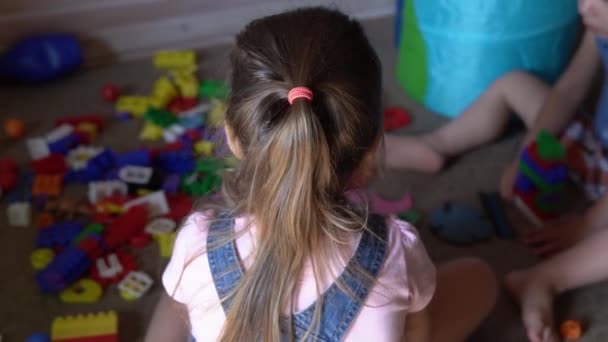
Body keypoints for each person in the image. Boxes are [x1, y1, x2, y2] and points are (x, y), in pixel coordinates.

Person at [145, 7, 497, 342]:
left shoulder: (197, 242)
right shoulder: (395, 249)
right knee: (480, 278)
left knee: (176, 293)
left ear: (233, 137)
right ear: (374, 145)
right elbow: (417, 331)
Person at [388, 0, 608, 340]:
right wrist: (529, 152)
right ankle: (436, 145)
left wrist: (586, 225)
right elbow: (569, 90)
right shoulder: (598, 31)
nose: (583, 8)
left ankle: (546, 278)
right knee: (515, 82)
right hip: (594, 145)